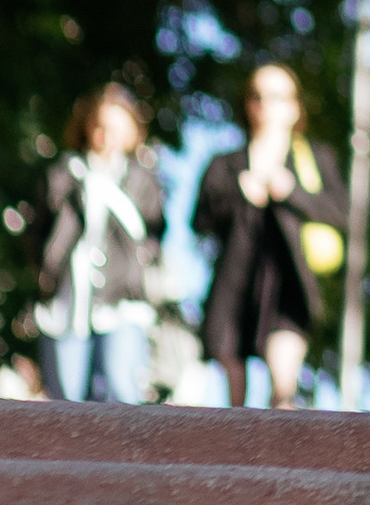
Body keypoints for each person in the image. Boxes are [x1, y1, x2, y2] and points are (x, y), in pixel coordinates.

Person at [195, 62, 348, 407]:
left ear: (295, 107)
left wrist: (290, 192)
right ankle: (237, 452)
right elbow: (200, 220)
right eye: (258, 96)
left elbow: (342, 212)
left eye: (277, 96)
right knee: (233, 390)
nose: (266, 105)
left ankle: (282, 444)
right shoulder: (226, 163)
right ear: (248, 104)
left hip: (288, 283)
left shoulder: (315, 159)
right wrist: (238, 193)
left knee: (283, 389)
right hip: (235, 282)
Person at [34, 86, 164, 404]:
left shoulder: (141, 180)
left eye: (117, 129)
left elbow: (154, 234)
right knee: (65, 401)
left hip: (122, 304)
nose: (107, 137)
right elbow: (38, 228)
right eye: (100, 127)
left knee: (121, 394)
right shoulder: (64, 174)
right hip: (67, 304)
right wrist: (46, 270)